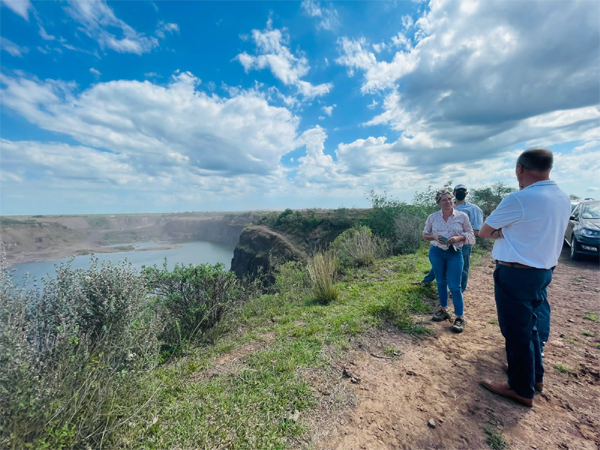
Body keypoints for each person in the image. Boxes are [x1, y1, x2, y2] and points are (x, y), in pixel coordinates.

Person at [479, 148, 570, 407]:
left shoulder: (519, 199)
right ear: (548, 168)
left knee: (516, 331)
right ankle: (534, 377)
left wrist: (507, 234)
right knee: (530, 327)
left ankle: (520, 388)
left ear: (520, 169)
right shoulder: (562, 197)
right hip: (543, 271)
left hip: (516, 273)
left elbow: (485, 231)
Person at [422, 190, 475, 333]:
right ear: (438, 203)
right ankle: (444, 309)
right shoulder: (433, 217)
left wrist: (458, 238)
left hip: (454, 253)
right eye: (444, 200)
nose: (448, 202)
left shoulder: (462, 216)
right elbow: (425, 234)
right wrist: (434, 236)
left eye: (449, 199)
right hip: (437, 252)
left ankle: (460, 318)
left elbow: (470, 234)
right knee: (441, 282)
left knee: (455, 286)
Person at [414, 184, 483, 294]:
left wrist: (459, 237)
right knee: (440, 263)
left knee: (463, 267)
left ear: (466, 193)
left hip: (463, 243)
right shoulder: (450, 206)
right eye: (458, 191)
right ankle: (426, 281)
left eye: (463, 190)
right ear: (454, 193)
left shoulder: (474, 209)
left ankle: (459, 290)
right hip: (446, 243)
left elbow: (476, 230)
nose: (460, 192)